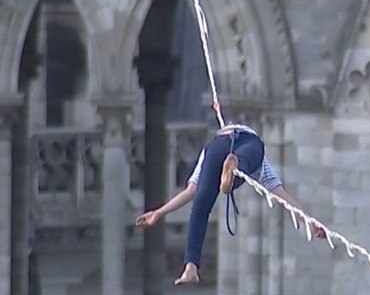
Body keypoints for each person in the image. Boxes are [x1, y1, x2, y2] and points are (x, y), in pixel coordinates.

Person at [135, 120, 325, 285]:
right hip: (250, 142)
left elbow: (190, 191)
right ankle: (234, 171)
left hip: (218, 144)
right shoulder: (261, 163)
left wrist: (159, 212)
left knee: (200, 204)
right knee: (244, 167)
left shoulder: (206, 152)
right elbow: (281, 195)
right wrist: (308, 220)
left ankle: (190, 267)